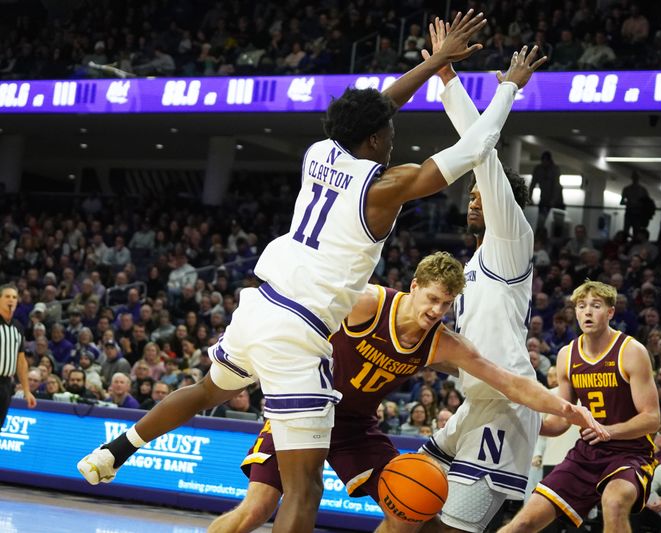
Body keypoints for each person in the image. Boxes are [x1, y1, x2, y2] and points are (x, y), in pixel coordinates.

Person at [77, 13, 537, 533]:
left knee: (208, 391)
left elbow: (377, 106)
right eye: (388, 132)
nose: (392, 133)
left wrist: (434, 64)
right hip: (298, 333)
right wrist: (508, 91)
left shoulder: (320, 151)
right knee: (304, 489)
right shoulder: (382, 189)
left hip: (258, 307)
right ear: (372, 141)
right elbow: (474, 149)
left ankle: (117, 448)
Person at [208, 253, 599, 533]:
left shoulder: (442, 342)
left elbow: (511, 382)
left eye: (446, 304)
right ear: (413, 287)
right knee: (258, 507)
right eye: (431, 298)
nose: (436, 310)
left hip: (354, 429)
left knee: (410, 512)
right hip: (306, 410)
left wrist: (569, 410)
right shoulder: (365, 304)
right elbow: (292, 311)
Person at [404, 21, 564, 533]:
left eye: (480, 195)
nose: (472, 199)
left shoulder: (511, 240)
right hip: (474, 401)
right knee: (405, 506)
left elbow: (483, 152)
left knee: (452, 530)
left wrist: (465, 81)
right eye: (470, 197)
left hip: (506, 408)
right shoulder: (472, 265)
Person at [500, 280, 661, 533]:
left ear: (610, 312)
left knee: (614, 502)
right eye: (581, 306)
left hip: (631, 452)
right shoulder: (567, 355)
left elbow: (652, 419)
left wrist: (607, 430)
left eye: (595, 306)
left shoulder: (631, 351)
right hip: (586, 454)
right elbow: (562, 421)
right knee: (523, 522)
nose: (587, 312)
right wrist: (526, 423)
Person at [0, 285, 36, 429]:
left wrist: (27, 391)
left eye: (14, 297)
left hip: (6, 385)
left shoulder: (18, 327)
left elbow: (21, 361)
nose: (11, 300)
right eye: (7, 296)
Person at [529, 151, 564, 228]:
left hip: (557, 200)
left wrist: (553, 201)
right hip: (545, 199)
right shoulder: (538, 169)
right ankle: (539, 237)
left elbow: (556, 186)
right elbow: (532, 184)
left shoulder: (555, 169)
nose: (544, 163)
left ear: (549, 161)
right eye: (543, 161)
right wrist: (529, 198)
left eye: (545, 161)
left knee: (558, 224)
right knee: (540, 223)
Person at [620, 171, 654, 237]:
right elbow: (622, 202)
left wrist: (637, 204)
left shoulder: (642, 190)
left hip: (638, 213)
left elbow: (647, 203)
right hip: (630, 212)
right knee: (626, 231)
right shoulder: (627, 189)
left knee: (636, 232)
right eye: (634, 177)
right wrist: (630, 203)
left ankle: (634, 243)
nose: (635, 179)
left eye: (636, 177)